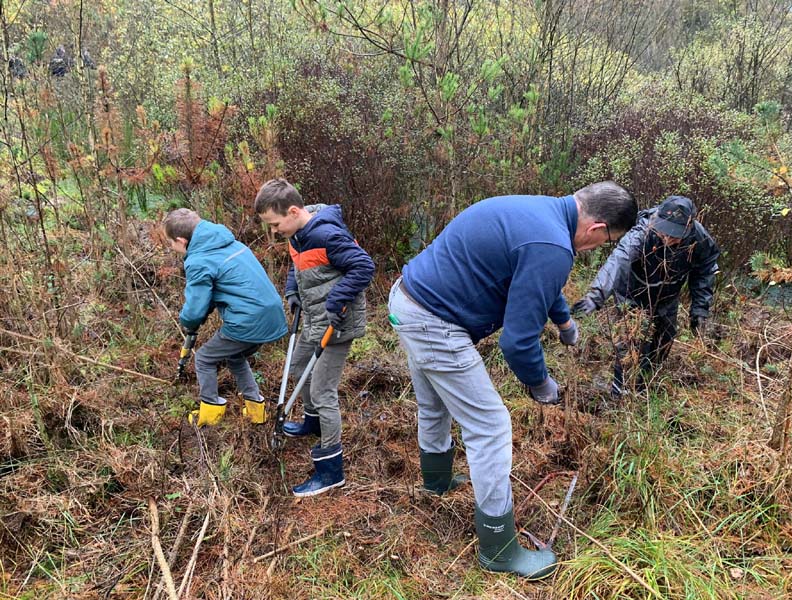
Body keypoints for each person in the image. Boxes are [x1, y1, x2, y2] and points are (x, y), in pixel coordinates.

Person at [387, 182, 637, 579]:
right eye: (608, 240)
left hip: (407, 299)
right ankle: (499, 549)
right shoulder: (552, 245)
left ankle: (436, 481)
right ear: (597, 228)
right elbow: (517, 343)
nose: (600, 248)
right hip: (435, 322)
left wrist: (565, 322)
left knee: (434, 401)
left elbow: (535, 277)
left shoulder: (542, 211)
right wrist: (542, 386)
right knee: (491, 427)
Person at [255, 179, 375, 497]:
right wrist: (292, 290)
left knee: (323, 391)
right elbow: (297, 263)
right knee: (297, 366)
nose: (275, 231)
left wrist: (337, 300)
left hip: (336, 323)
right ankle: (313, 422)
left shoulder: (328, 235)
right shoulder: (299, 233)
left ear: (294, 211)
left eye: (276, 224)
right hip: (312, 317)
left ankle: (330, 470)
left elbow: (363, 266)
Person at [571, 195, 720, 395]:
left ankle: (645, 388)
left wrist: (699, 309)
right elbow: (619, 259)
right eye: (664, 232)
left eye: (674, 234)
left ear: (689, 225)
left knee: (663, 341)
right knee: (631, 344)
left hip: (667, 297)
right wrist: (596, 295)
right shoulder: (642, 231)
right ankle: (621, 391)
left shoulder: (699, 238)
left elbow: (705, 271)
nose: (667, 238)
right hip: (631, 295)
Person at [163, 208, 287, 426]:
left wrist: (189, 322)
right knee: (235, 356)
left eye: (170, 243)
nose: (171, 248)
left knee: (204, 358)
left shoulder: (198, 260)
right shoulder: (229, 243)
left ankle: (210, 415)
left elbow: (195, 308)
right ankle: (256, 410)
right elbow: (217, 291)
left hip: (248, 321)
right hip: (272, 315)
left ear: (182, 241)